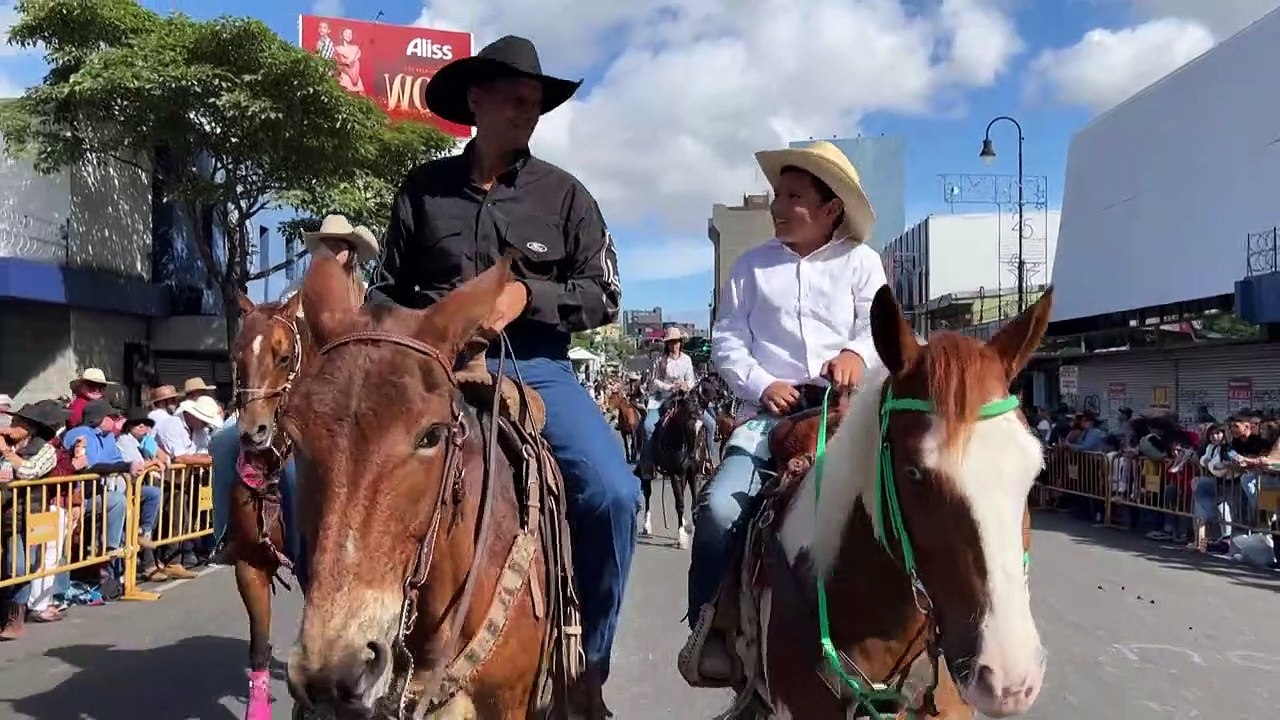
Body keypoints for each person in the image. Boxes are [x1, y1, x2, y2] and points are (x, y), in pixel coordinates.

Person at [367, 35, 634, 701]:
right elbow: (382, 294)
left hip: (535, 367)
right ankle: (337, 655)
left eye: (536, 103)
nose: (528, 112)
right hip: (427, 371)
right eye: (515, 99)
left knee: (614, 494)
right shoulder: (422, 192)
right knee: (308, 475)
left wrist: (528, 296)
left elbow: (605, 295)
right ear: (476, 101)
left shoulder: (566, 196)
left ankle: (587, 664)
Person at [681, 140, 886, 684]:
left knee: (912, 502)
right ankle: (712, 625)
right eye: (778, 194)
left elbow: (879, 328)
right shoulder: (750, 268)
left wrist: (853, 354)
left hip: (847, 415)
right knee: (721, 512)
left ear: (830, 208)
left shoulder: (862, 264)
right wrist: (761, 383)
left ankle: (932, 626)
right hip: (767, 420)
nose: (777, 206)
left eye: (793, 196)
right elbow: (726, 340)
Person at [208, 214, 379, 575]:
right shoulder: (293, 303)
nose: (326, 254)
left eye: (334, 248)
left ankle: (355, 548)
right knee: (223, 443)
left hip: (350, 405)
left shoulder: (367, 304)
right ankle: (226, 536)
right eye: (322, 247)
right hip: (292, 407)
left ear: (349, 255)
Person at [636, 327, 715, 479]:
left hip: (685, 398)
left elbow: (691, 379)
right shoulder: (660, 360)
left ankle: (707, 460)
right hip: (662, 399)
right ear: (667, 344)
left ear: (680, 342)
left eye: (677, 342)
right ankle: (648, 464)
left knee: (710, 424)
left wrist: (687, 385)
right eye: (671, 342)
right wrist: (670, 387)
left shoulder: (687, 359)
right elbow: (654, 381)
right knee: (648, 427)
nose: (674, 345)